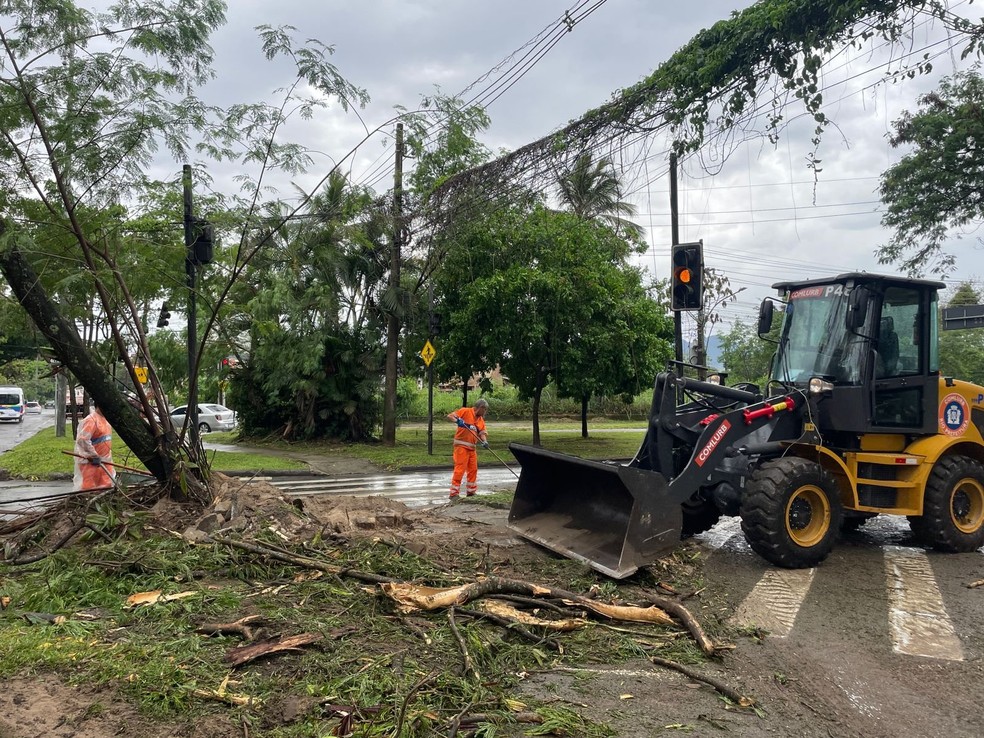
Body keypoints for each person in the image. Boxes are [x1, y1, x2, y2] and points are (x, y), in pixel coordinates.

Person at [447, 398, 489, 499]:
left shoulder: (480, 420)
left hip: (472, 449)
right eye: (485, 410)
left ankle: (471, 492)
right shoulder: (465, 411)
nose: (485, 412)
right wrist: (457, 421)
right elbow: (450, 416)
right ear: (480, 408)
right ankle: (454, 493)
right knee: (460, 469)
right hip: (461, 447)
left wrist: (485, 441)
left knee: (473, 470)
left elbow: (482, 432)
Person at [73, 404, 116, 492]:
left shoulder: (105, 420)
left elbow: (105, 441)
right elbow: (83, 440)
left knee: (106, 486)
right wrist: (94, 456)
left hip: (105, 462)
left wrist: (106, 458)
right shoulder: (91, 420)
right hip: (90, 463)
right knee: (89, 488)